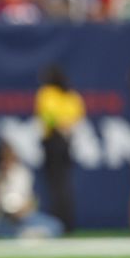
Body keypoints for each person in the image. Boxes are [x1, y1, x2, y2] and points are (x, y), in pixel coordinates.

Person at [0, 140, 64, 239]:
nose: (6, 163)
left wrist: (23, 207)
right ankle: (19, 234)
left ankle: (26, 233)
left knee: (55, 226)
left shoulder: (22, 173)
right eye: (3, 159)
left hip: (22, 217)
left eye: (10, 158)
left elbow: (29, 203)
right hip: (0, 218)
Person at [34, 64, 85, 233]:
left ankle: (58, 222)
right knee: (64, 184)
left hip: (53, 141)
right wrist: (66, 126)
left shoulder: (47, 93)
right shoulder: (71, 96)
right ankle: (67, 223)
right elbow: (76, 117)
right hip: (66, 141)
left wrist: (59, 125)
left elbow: (48, 117)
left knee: (56, 185)